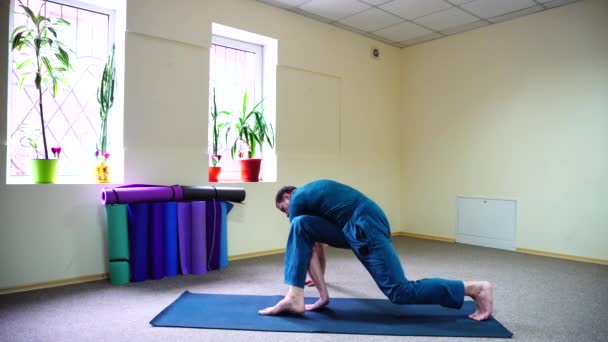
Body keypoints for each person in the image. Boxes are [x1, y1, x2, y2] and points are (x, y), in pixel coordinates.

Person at [258, 179, 493, 321]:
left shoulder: (298, 199)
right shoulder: (311, 206)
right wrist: (323, 293)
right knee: (301, 227)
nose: (286, 214)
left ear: (288, 196)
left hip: (364, 224)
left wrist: (318, 292)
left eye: (283, 209)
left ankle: (474, 288)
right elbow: (313, 244)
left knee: (400, 292)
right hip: (353, 225)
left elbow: (308, 245)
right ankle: (295, 297)